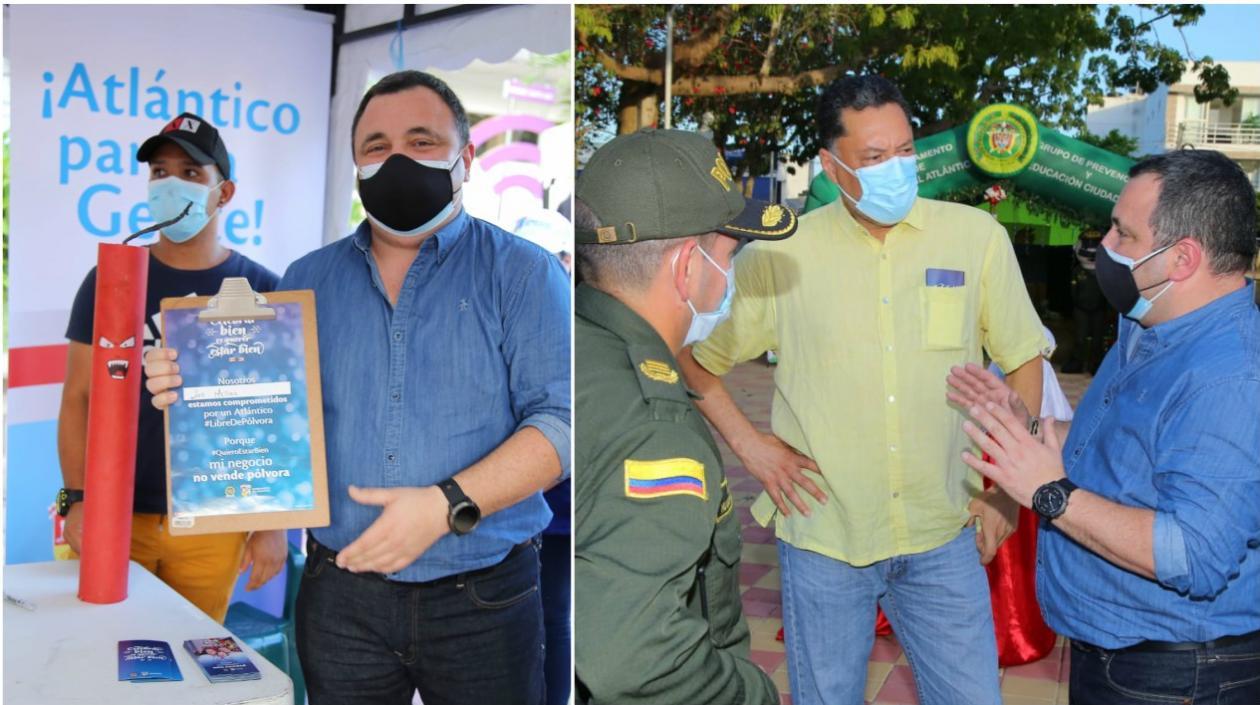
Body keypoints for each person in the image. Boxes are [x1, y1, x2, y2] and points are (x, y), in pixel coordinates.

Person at [147, 71, 571, 705]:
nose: (396, 158)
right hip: (340, 595)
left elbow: (563, 422)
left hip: (482, 599)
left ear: (466, 158)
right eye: (376, 146)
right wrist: (193, 389)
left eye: (421, 140)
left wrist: (445, 503)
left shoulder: (523, 273)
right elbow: (270, 413)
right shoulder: (307, 280)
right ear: (356, 166)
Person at [676, 75, 1049, 705]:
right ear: (831, 164)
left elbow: (1023, 361)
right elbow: (694, 358)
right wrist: (752, 447)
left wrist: (1009, 495)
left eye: (905, 151)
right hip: (826, 534)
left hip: (943, 531)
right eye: (875, 159)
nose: (897, 170)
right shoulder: (782, 253)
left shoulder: (974, 237)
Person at [950, 149, 1260, 704]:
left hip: (1174, 676)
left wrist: (1050, 493)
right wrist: (1026, 425)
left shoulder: (1228, 377)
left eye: (1124, 233)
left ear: (1182, 258)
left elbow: (1192, 555)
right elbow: (1118, 449)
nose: (1106, 248)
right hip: (1121, 657)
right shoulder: (1151, 324)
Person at [573, 128, 797, 705]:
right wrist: (753, 694)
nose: (730, 274)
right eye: (727, 255)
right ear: (684, 268)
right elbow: (633, 658)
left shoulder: (577, 344)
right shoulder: (655, 427)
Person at [57, 113, 286, 622]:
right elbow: (77, 397)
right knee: (103, 651)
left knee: (191, 661)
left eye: (190, 172)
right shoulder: (110, 280)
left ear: (223, 193)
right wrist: (77, 498)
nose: (170, 184)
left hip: (213, 520)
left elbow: (274, 418)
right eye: (159, 172)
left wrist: (274, 525)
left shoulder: (262, 289)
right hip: (117, 514)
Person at [1062, 229, 1112, 375]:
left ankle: (1096, 365)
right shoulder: (1078, 271)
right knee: (1080, 338)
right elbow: (1073, 292)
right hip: (1081, 310)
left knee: (1098, 339)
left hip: (1099, 310)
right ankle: (1077, 363)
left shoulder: (1104, 272)